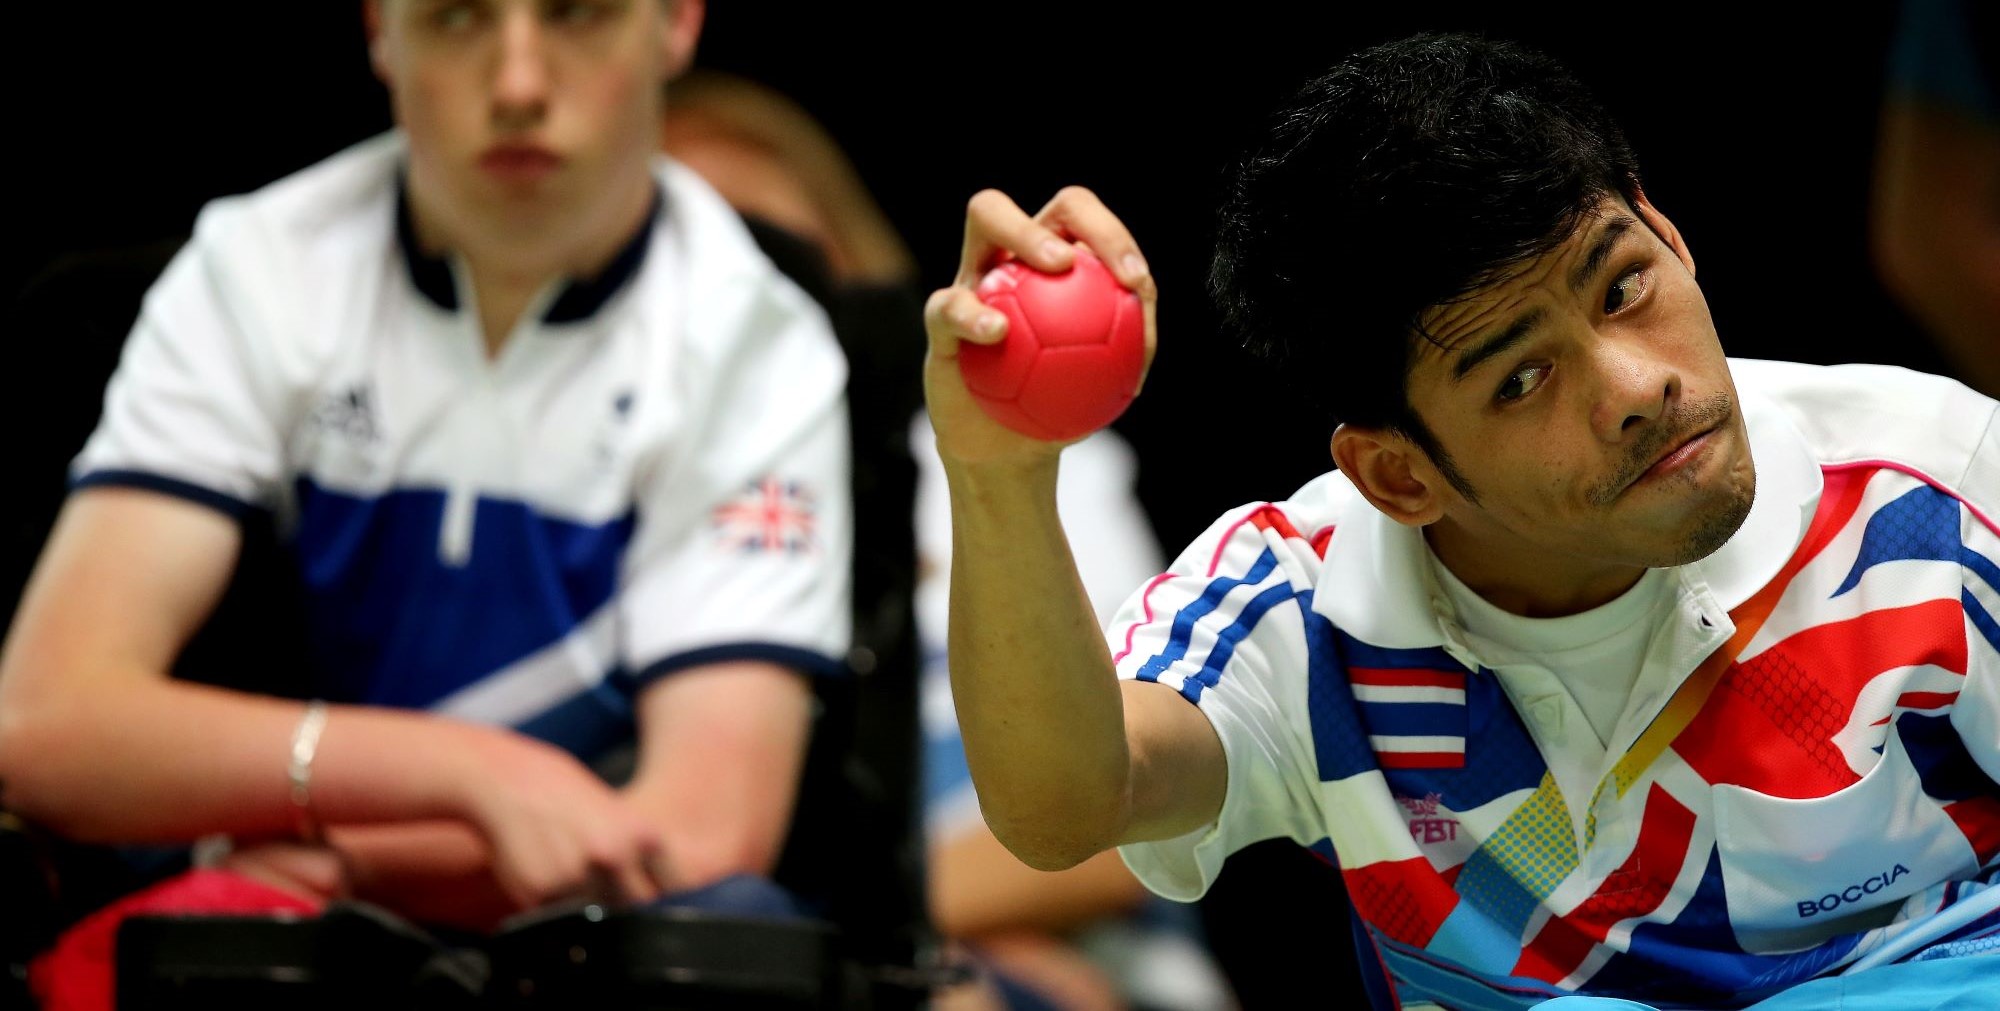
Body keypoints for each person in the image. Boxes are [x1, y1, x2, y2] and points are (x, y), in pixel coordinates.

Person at [921, 32, 2000, 1011]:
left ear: (1665, 233)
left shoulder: (1939, 492)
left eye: (1623, 286)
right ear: (1395, 477)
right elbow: (1067, 807)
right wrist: (998, 474)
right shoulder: (1301, 619)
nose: (1632, 387)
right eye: (1521, 378)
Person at [0, 0, 852, 992]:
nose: (519, 85)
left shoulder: (758, 338)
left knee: (725, 936)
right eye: (456, 19)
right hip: (268, 955)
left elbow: (699, 835)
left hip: (543, 941)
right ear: (377, 34)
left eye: (576, 16)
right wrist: (471, 773)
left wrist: (351, 870)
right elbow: (42, 723)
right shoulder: (258, 268)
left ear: (676, 25)